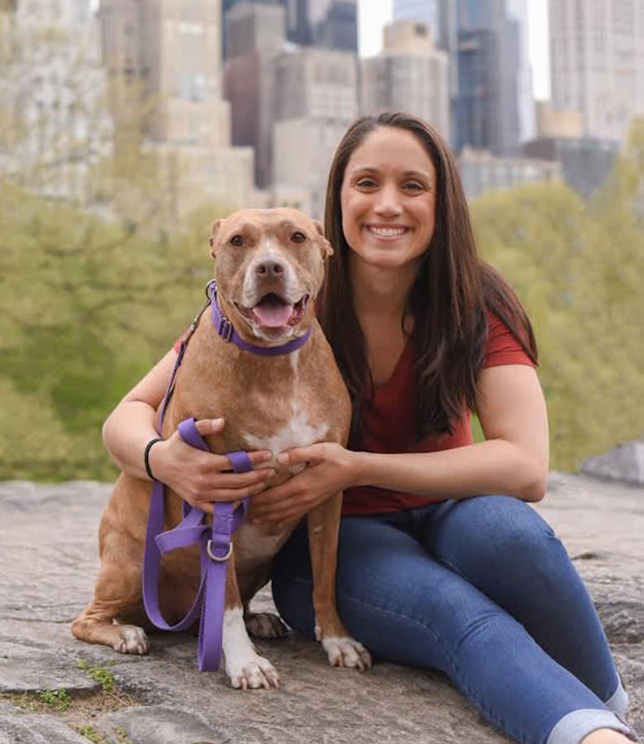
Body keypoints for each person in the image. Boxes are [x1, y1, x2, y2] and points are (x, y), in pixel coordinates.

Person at [100, 112, 636, 744]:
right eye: (366, 184)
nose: (388, 205)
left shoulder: (474, 297)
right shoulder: (285, 297)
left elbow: (525, 468)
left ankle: (608, 705)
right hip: (340, 540)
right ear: (339, 204)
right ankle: (590, 735)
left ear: (443, 204)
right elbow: (125, 418)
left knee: (516, 538)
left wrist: (357, 466)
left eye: (412, 186)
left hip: (447, 508)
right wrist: (165, 460)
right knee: (452, 610)